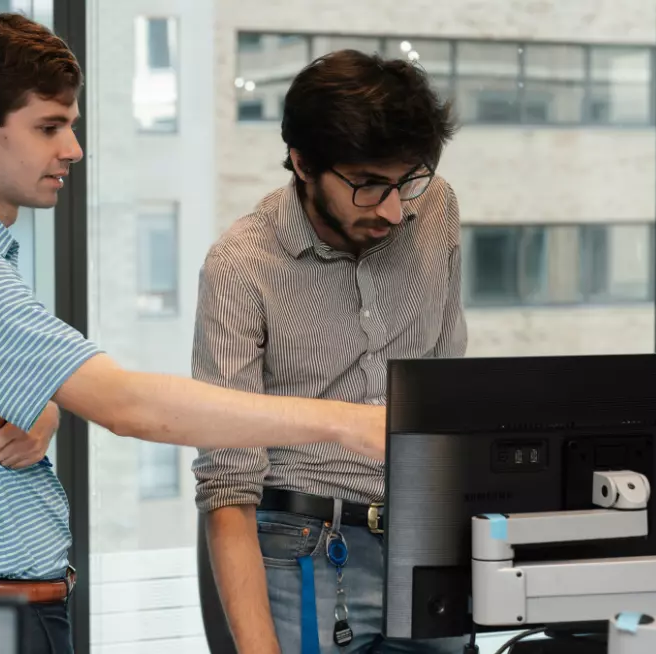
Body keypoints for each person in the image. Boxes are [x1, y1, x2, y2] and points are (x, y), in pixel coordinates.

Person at [0, 15, 384, 654]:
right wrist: (343, 423)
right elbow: (130, 407)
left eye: (72, 126)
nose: (73, 149)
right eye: (48, 127)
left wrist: (43, 403)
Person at [192, 49, 467, 654]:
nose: (395, 210)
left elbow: (449, 384)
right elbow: (228, 482)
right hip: (298, 555)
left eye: (407, 180)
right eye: (368, 186)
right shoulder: (240, 265)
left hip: (427, 541)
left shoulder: (436, 207)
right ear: (302, 163)